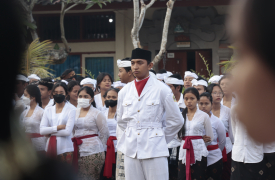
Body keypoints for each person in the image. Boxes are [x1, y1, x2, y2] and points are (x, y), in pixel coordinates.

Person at [116, 48, 184, 180]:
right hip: (131, 148)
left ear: (150, 65)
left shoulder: (162, 89)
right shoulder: (124, 92)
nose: (135, 67)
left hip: (155, 149)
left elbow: (177, 120)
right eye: (133, 63)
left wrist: (160, 138)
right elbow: (121, 120)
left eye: (140, 63)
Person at [72, 86, 109, 180]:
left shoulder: (97, 113)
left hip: (93, 152)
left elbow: (104, 133)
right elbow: (72, 131)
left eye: (86, 96)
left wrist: (96, 145)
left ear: (92, 99)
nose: (82, 99)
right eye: (80, 96)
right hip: (76, 150)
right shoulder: (73, 112)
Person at [178, 87, 213, 180]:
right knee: (182, 176)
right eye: (186, 99)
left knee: (198, 176)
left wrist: (200, 141)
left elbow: (210, 138)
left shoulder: (204, 116)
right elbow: (177, 136)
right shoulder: (180, 116)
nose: (189, 101)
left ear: (197, 99)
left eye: (192, 98)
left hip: (199, 152)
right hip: (184, 151)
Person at [40, 82, 76, 164]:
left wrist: (49, 132)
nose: (58, 94)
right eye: (56, 93)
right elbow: (42, 131)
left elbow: (67, 132)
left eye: (61, 92)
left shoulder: (71, 109)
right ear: (52, 94)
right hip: (49, 147)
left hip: (65, 148)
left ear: (66, 94)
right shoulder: (48, 110)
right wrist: (58, 127)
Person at [230, 105, 268, 180]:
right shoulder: (235, 109)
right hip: (238, 156)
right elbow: (234, 130)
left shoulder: (263, 111)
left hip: (255, 156)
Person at [207, 84, 233, 180]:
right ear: (209, 94)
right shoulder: (204, 110)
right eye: (215, 93)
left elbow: (231, 132)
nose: (218, 95)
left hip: (227, 147)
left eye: (220, 92)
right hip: (209, 147)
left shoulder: (228, 111)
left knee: (225, 174)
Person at [199, 92, 226, 180]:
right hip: (198, 157)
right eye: (201, 103)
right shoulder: (194, 121)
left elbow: (222, 142)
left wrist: (215, 150)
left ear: (211, 104)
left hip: (214, 158)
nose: (203, 106)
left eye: (206, 103)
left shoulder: (217, 121)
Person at [164, 74, 184, 180]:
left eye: (170, 86)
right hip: (167, 143)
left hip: (182, 144)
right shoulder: (164, 101)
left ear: (178, 87)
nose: (167, 89)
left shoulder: (187, 103)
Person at [21, 85, 46, 153]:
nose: (24, 97)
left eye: (26, 95)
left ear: (33, 97)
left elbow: (46, 130)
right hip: (26, 144)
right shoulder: (25, 112)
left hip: (38, 144)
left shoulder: (41, 112)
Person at [102, 88, 120, 180]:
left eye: (114, 97)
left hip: (119, 147)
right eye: (108, 97)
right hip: (105, 146)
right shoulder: (102, 113)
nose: (111, 99)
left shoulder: (122, 113)